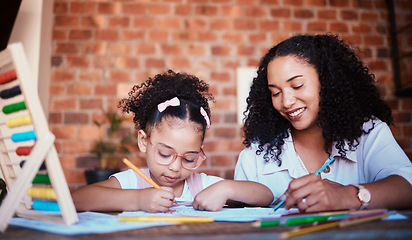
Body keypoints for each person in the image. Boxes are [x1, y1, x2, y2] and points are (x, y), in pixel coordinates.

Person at [234, 34, 412, 213]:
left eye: (297, 86)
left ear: (327, 81)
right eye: (275, 93)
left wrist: (347, 195)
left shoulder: (367, 133)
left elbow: (407, 185)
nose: (286, 102)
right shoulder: (255, 155)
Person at [73, 70, 273, 213]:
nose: (175, 167)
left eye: (189, 158)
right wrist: (138, 199)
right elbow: (77, 199)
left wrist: (226, 188)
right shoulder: (132, 182)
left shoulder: (201, 185)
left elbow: (266, 196)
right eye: (165, 154)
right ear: (144, 141)